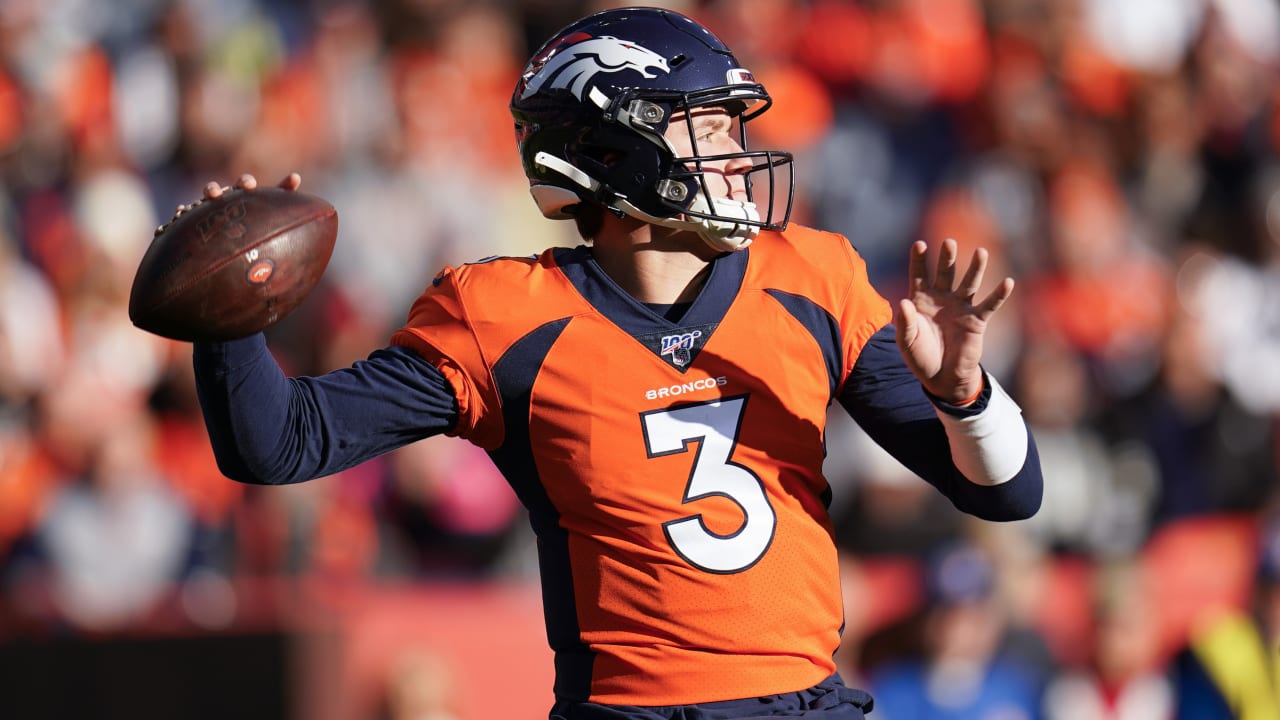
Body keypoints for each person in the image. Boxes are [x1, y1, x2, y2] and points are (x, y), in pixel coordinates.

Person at [180, 7, 1043, 719]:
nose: (738, 156)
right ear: (615, 150)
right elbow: (277, 442)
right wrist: (227, 319)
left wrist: (962, 391)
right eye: (706, 127)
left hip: (801, 705)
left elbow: (1006, 494)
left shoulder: (812, 279)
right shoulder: (503, 318)